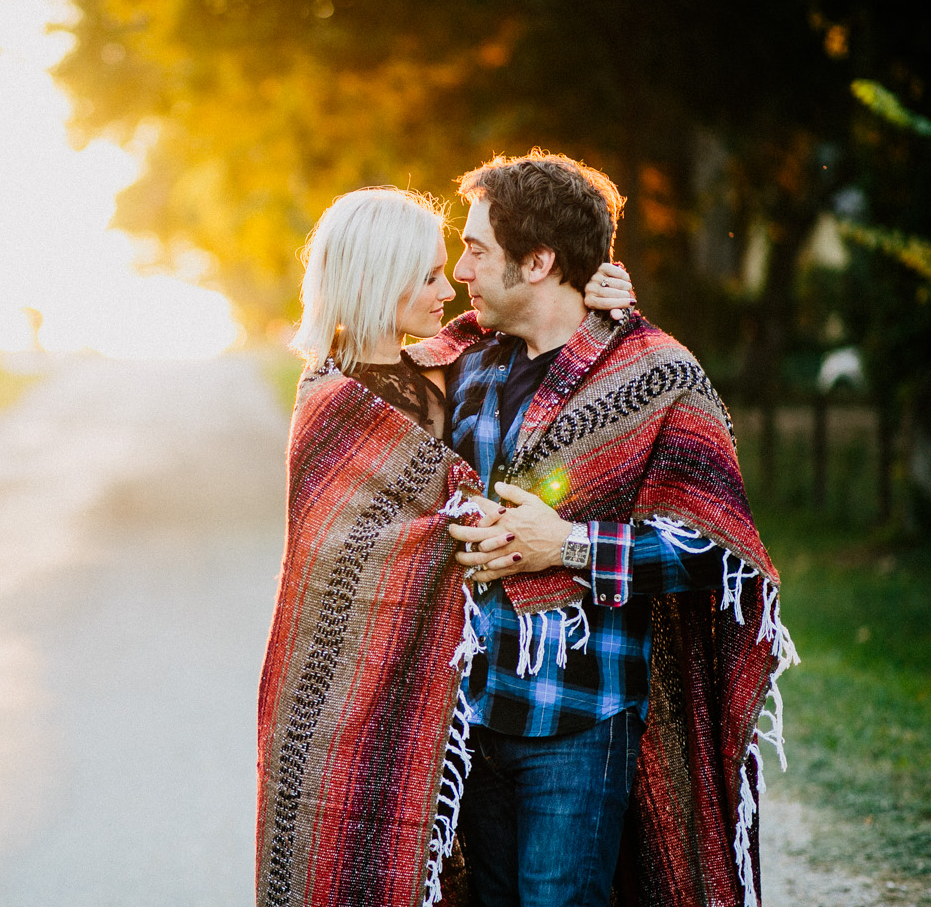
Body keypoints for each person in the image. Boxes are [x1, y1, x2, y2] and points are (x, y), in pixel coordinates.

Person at [402, 151, 798, 907]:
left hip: (580, 719)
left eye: (477, 250)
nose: (460, 270)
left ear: (540, 259)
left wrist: (569, 546)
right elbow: (376, 370)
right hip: (473, 713)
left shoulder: (653, 374)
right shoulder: (470, 365)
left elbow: (716, 551)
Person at [256, 186, 634, 907]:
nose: (450, 285)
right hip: (370, 704)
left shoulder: (464, 363)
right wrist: (477, 529)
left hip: (479, 696)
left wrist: (602, 297)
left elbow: (557, 344)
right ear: (381, 279)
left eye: (447, 268)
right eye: (430, 275)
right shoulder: (331, 401)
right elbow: (343, 560)